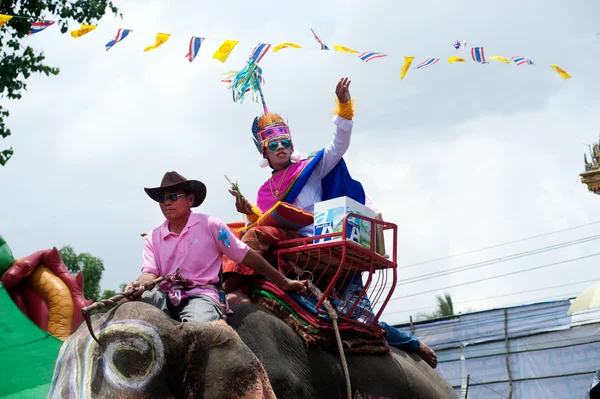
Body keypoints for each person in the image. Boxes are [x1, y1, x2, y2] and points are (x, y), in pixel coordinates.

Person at [220, 76, 438, 368]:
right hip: (284, 240)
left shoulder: (309, 167)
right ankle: (228, 290)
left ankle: (411, 343)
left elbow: (338, 145)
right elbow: (264, 220)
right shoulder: (263, 190)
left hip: (320, 236)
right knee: (231, 235)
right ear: (265, 152)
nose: (281, 148)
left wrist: (344, 105)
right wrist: (248, 210)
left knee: (360, 320)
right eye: (274, 145)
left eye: (285, 142)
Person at [125, 171, 307, 323]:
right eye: (162, 198)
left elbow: (246, 256)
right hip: (165, 295)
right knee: (127, 310)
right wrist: (139, 285)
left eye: (173, 196)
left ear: (190, 200)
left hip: (201, 296)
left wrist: (284, 282)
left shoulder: (211, 226)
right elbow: (149, 273)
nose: (166, 202)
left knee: (197, 331)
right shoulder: (153, 237)